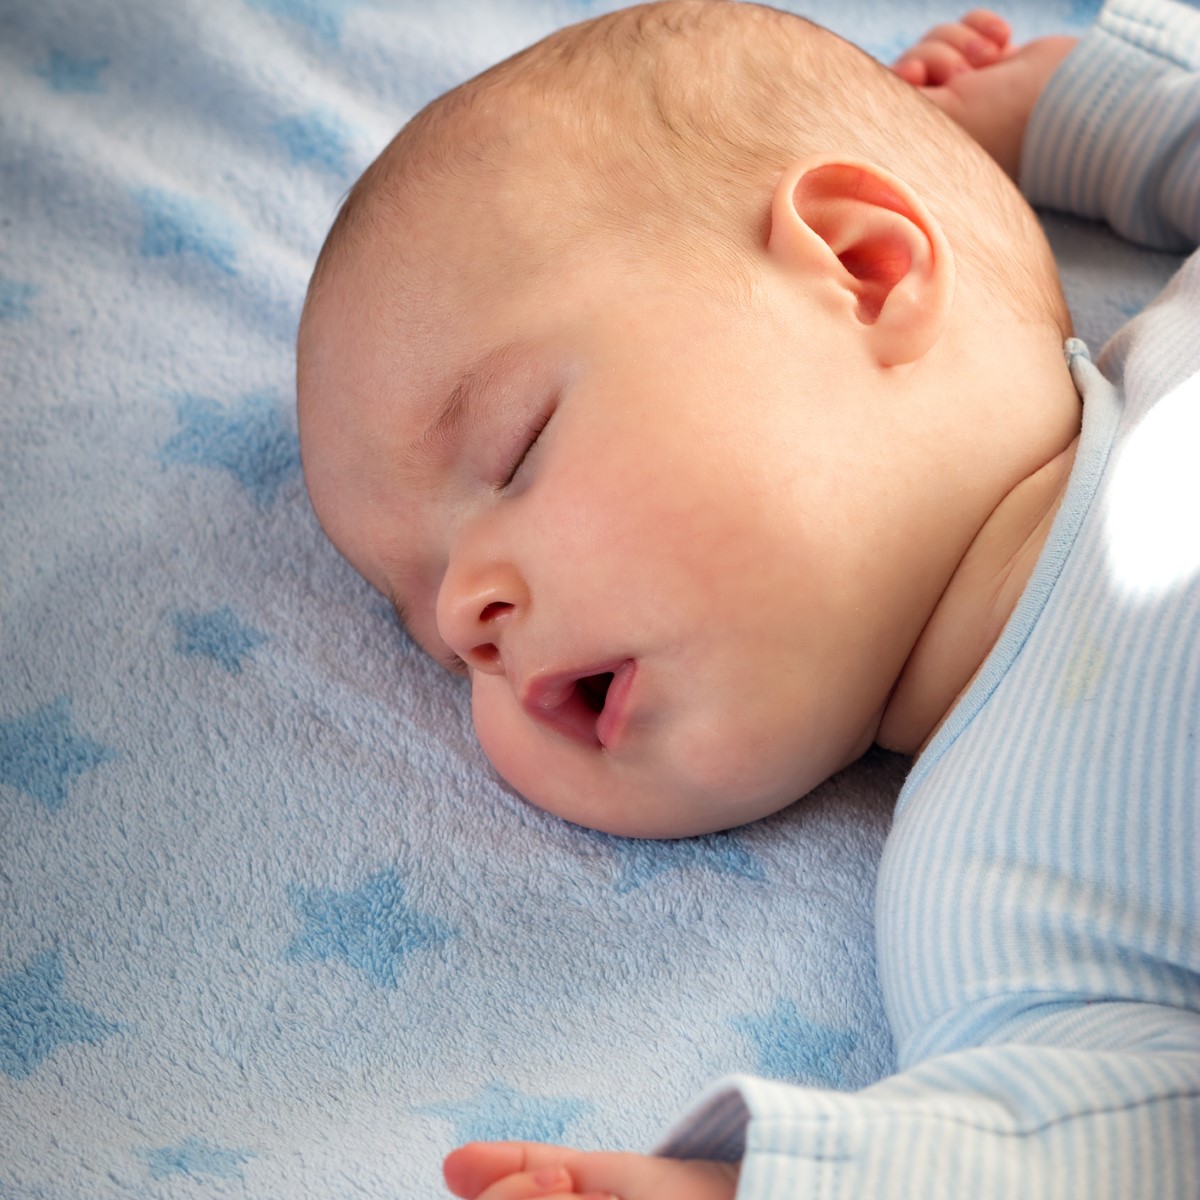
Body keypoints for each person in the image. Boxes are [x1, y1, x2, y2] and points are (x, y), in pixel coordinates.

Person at [295, 0, 1199, 1195]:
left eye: (516, 452)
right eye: (434, 639)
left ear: (865, 270)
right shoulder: (993, 887)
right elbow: (1111, 1137)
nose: (469, 614)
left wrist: (1092, 112)